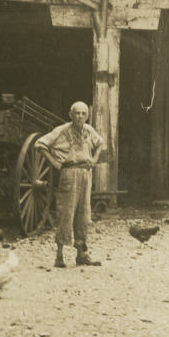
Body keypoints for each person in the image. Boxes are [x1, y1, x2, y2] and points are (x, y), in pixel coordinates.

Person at [34, 101, 108, 268]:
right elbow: (40, 144)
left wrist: (94, 160)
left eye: (83, 113)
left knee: (84, 214)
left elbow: (100, 142)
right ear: (70, 115)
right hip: (69, 174)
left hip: (86, 174)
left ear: (87, 116)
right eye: (77, 113)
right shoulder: (61, 130)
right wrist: (55, 163)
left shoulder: (89, 130)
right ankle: (59, 256)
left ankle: (81, 254)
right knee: (66, 213)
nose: (80, 116)